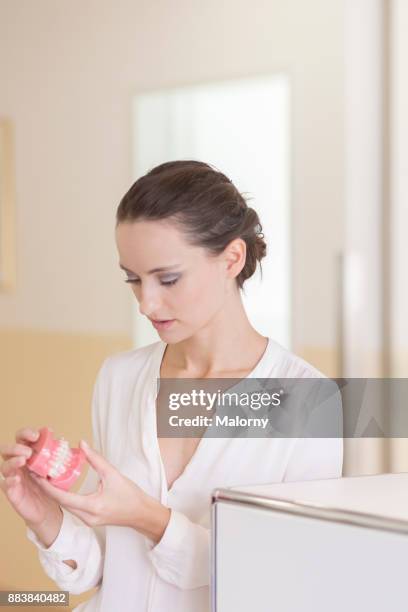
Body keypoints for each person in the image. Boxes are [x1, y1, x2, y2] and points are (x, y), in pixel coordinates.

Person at [0, 160, 343, 611]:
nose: (147, 302)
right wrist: (46, 516)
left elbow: (281, 584)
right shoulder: (119, 378)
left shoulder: (308, 400)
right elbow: (106, 572)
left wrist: (149, 518)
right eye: (133, 279)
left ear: (232, 258)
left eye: (168, 279)